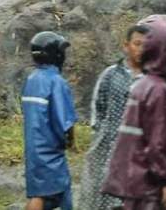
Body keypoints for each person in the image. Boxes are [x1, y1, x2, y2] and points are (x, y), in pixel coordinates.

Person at [104, 15, 166, 210]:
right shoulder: (159, 90)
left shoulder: (143, 85)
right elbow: (157, 144)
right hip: (149, 185)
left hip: (134, 182)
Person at [80, 25, 147, 210]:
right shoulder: (110, 75)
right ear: (126, 45)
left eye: (146, 45)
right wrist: (101, 137)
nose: (141, 49)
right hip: (108, 151)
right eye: (137, 44)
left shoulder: (153, 80)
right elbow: (98, 108)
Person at [22, 31, 77, 210]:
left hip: (33, 149)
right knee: (43, 197)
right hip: (50, 152)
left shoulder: (31, 79)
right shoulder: (56, 81)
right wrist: (71, 141)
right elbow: (65, 122)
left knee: (42, 192)